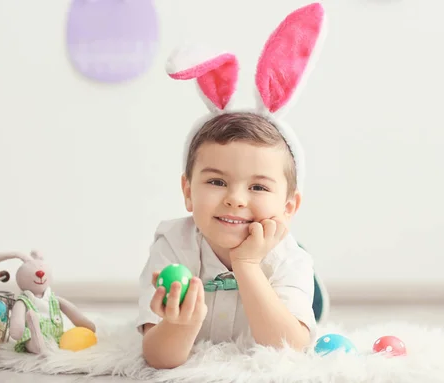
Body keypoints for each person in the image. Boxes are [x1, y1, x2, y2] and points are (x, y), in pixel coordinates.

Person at [136, 2, 329, 369]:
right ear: (188, 191)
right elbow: (157, 357)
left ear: (288, 206)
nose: (235, 199)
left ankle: (316, 300)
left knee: (308, 306)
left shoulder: (289, 258)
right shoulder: (172, 247)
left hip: (291, 295)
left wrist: (248, 265)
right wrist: (180, 325)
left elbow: (291, 351)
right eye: (216, 181)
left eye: (258, 187)